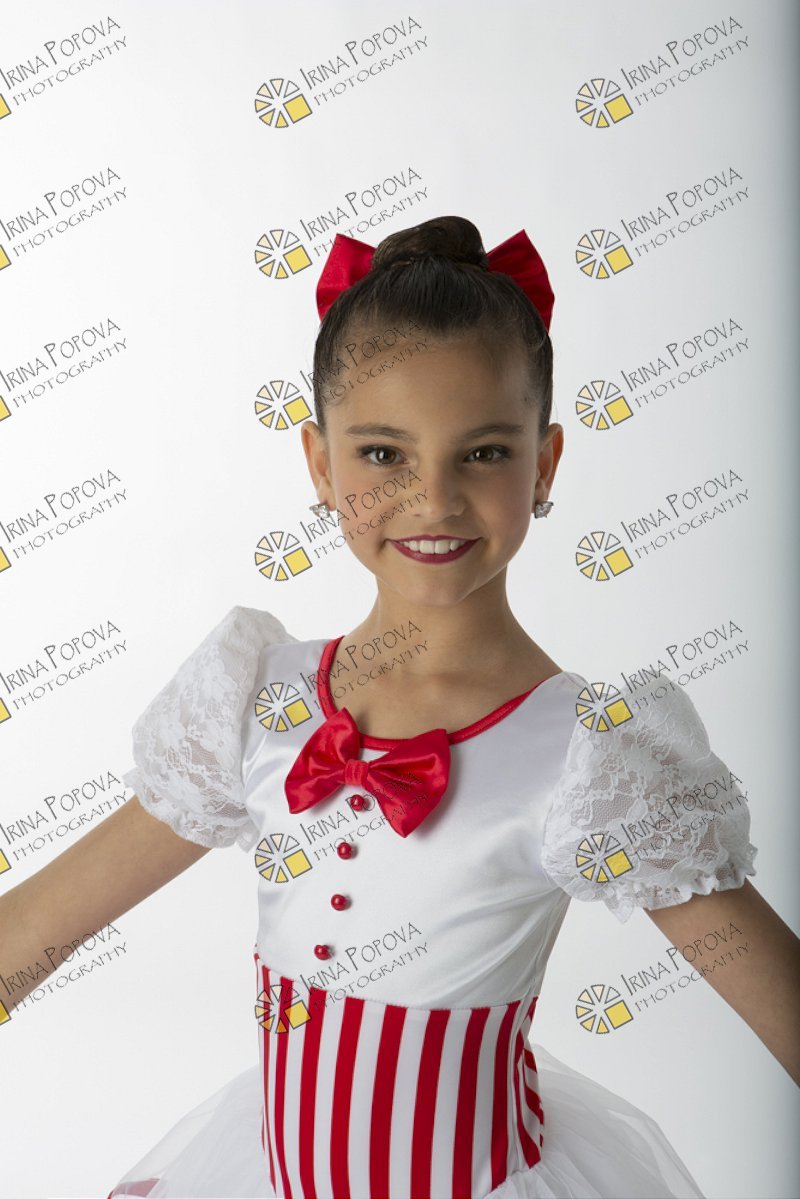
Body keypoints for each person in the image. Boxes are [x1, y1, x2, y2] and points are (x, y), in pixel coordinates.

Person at [2, 215, 797, 1199]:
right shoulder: (255, 706)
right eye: (383, 454)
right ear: (319, 465)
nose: (432, 499)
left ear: (545, 464)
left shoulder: (592, 760)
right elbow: (31, 928)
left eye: (483, 453)